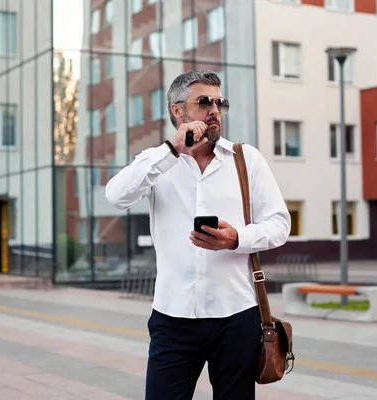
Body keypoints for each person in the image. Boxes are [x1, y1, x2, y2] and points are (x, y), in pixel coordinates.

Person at [105, 70, 291, 400]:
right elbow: (116, 196)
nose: (214, 110)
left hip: (236, 315)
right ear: (178, 110)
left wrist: (237, 239)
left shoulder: (246, 159)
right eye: (204, 101)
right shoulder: (157, 161)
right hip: (173, 317)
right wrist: (172, 148)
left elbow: (280, 224)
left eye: (220, 102)